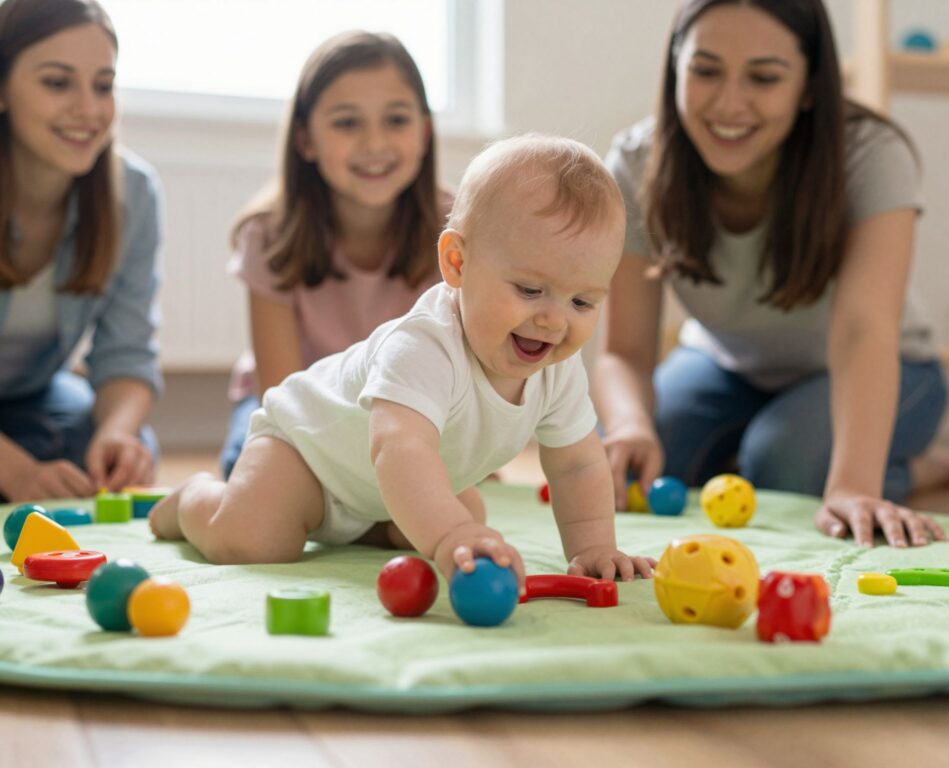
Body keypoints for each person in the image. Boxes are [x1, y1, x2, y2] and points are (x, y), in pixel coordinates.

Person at [151, 134, 655, 588]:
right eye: (529, 290)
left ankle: (377, 524)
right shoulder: (425, 345)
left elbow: (577, 465)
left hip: (376, 490)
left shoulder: (556, 367)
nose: (553, 321)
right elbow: (400, 449)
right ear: (457, 263)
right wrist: (450, 536)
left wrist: (593, 549)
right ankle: (194, 501)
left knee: (464, 506)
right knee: (254, 541)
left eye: (582, 303)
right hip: (308, 457)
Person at [595, 0, 949, 549]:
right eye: (705, 70)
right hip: (725, 363)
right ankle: (749, 448)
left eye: (764, 77)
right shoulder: (635, 164)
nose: (729, 103)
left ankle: (914, 469)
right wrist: (629, 425)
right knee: (639, 460)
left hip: (884, 366)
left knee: (782, 467)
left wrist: (855, 484)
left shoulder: (872, 155)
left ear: (810, 86)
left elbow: (864, 333)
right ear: (676, 67)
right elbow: (623, 352)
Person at [219, 30, 447, 479]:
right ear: (305, 140)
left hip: (412, 410)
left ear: (423, 133)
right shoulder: (269, 234)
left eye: (396, 120)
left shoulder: (458, 227)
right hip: (300, 408)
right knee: (251, 470)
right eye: (347, 123)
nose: (375, 144)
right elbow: (281, 396)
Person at [0, 0, 163, 503]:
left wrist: (117, 432)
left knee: (110, 445)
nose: (89, 110)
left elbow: (127, 354)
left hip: (28, 399)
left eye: (103, 85)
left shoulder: (132, 194)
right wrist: (17, 473)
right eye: (57, 82)